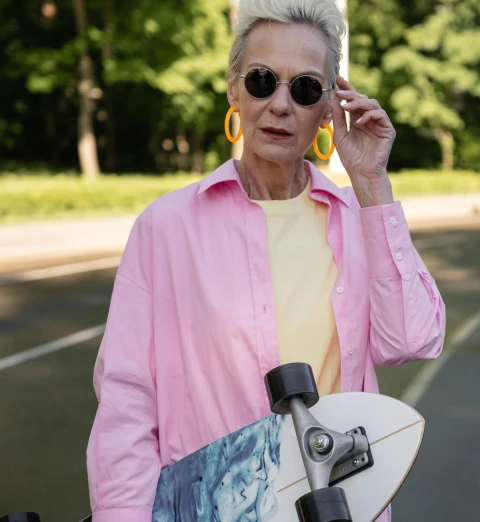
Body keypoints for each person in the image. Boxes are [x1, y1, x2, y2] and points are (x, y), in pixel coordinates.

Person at [85, 0, 446, 521]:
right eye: (261, 80)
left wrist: (372, 186)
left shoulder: (357, 217)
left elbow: (414, 339)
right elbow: (127, 402)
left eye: (304, 89)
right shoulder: (165, 228)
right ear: (234, 88)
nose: (280, 104)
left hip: (340, 506)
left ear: (327, 108)